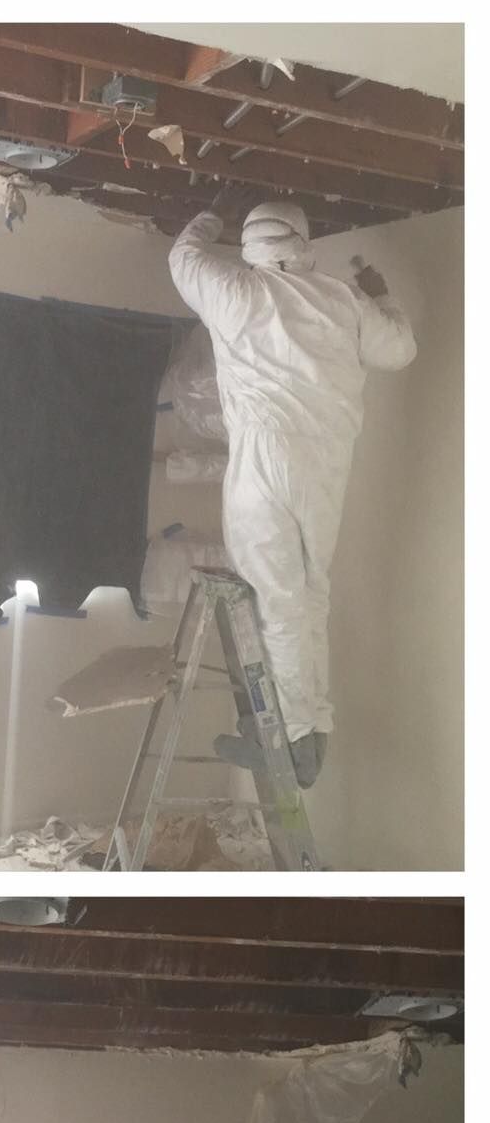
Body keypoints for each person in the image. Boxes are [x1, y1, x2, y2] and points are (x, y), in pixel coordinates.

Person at [168, 197, 416, 788]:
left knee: (277, 597)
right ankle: (313, 727)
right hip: (327, 463)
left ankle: (295, 740)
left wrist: (210, 211)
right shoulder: (343, 299)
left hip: (263, 458)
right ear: (304, 244)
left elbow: (183, 256)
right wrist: (381, 294)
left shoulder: (236, 291)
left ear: (252, 247)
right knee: (311, 594)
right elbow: (400, 350)